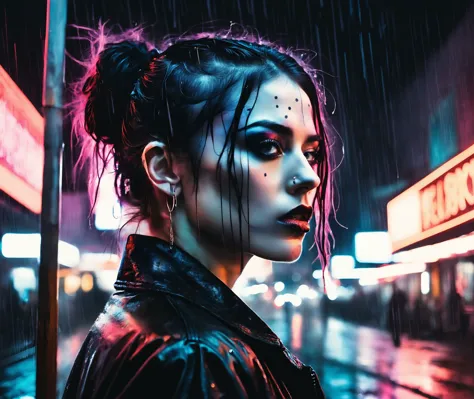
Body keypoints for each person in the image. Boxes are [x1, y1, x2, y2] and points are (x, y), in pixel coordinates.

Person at [63, 25, 334, 398]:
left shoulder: (147, 323)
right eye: (267, 146)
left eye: (311, 153)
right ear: (164, 168)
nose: (309, 177)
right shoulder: (194, 356)